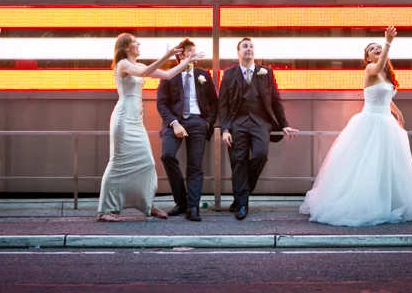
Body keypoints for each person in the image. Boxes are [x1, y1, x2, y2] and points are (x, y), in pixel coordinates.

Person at [299, 27, 412, 226]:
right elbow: (379, 68)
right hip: (370, 122)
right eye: (372, 48)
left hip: (387, 122)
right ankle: (365, 204)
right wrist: (388, 42)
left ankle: (389, 201)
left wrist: (397, 112)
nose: (376, 49)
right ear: (367, 57)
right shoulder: (371, 69)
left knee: (388, 164)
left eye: (378, 47)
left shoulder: (385, 74)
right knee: (368, 164)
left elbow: (385, 96)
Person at [98, 34, 205, 222]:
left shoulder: (138, 65)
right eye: (135, 42)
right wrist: (167, 55)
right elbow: (145, 73)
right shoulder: (123, 64)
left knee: (147, 162)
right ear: (126, 47)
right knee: (117, 162)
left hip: (136, 121)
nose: (138, 43)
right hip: (123, 119)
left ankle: (146, 205)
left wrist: (187, 61)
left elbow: (168, 75)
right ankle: (106, 209)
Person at [218, 38, 297, 220]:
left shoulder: (266, 72)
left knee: (260, 155)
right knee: (238, 162)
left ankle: (241, 194)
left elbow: (275, 100)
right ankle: (242, 205)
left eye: (251, 46)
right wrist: (225, 129)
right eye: (245, 46)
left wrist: (284, 124)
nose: (249, 49)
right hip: (237, 123)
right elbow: (223, 104)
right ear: (238, 53)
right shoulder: (229, 74)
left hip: (260, 123)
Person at [156, 38, 218, 222]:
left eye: (195, 51)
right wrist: (174, 122)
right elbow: (161, 103)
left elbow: (214, 102)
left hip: (198, 122)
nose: (194, 54)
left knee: (195, 165)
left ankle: (193, 207)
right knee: (167, 155)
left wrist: (207, 123)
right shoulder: (169, 75)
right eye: (190, 51)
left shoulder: (203, 75)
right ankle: (181, 201)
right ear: (181, 55)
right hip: (175, 121)